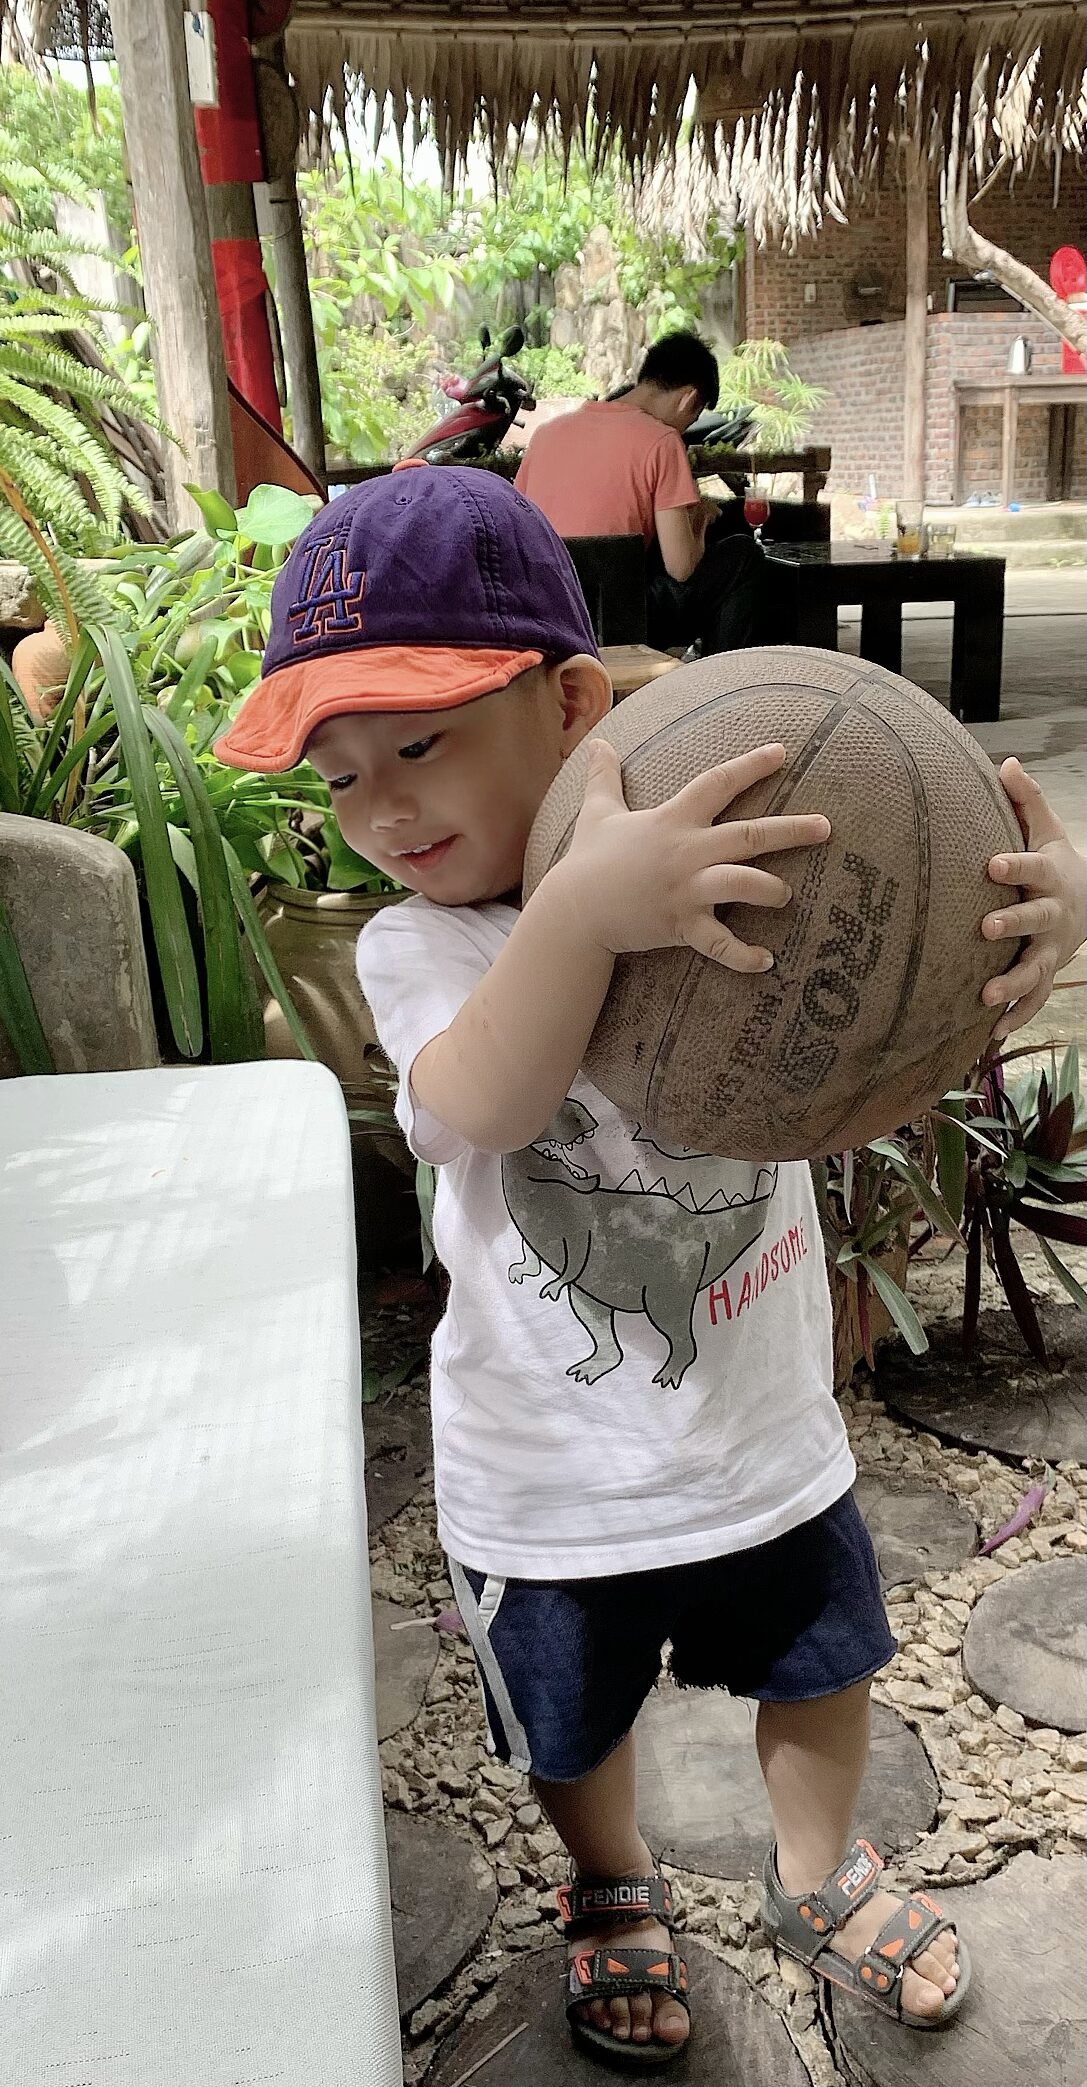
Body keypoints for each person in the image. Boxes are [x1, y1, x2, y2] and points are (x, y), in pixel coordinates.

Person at [216, 465, 1086, 2068]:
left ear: (567, 700)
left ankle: (819, 1867)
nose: (385, 807)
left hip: (756, 1429)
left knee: (823, 1670)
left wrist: (1025, 923)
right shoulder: (427, 945)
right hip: (551, 1472)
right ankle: (611, 1880)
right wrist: (576, 920)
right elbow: (473, 1103)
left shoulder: (706, 849)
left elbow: (877, 990)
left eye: (417, 742)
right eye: (340, 779)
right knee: (574, 1719)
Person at [515, 330, 764, 657]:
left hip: (546, 612)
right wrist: (699, 517)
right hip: (619, 619)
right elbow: (682, 568)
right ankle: (723, 682)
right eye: (693, 416)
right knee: (744, 556)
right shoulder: (662, 441)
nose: (685, 427)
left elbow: (517, 524)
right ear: (689, 399)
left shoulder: (547, 435)